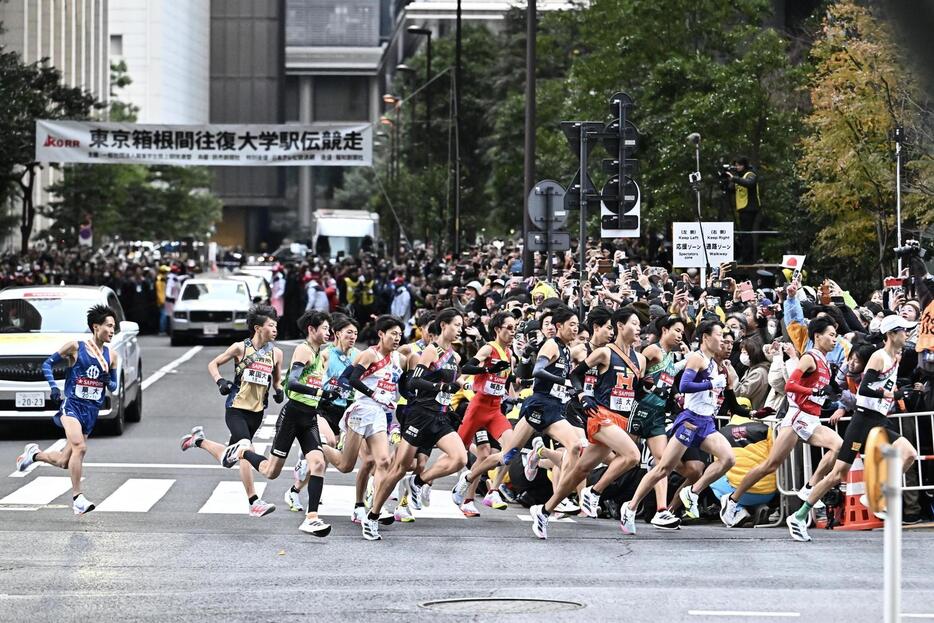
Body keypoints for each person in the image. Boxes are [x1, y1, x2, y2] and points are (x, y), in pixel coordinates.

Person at [786, 315, 919, 542]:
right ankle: (798, 516)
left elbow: (883, 388)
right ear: (891, 334)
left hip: (879, 420)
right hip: (863, 422)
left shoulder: (896, 357)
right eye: (903, 331)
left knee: (909, 454)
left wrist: (903, 391)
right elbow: (865, 389)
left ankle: (874, 494)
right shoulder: (878, 357)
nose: (907, 334)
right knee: (837, 475)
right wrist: (888, 394)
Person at [529, 307, 647, 539]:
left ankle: (543, 511)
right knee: (633, 456)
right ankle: (594, 492)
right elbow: (575, 375)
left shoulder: (640, 360)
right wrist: (583, 395)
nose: (639, 328)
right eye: (634, 323)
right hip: (600, 415)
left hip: (621, 419)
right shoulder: (604, 353)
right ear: (620, 326)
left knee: (579, 470)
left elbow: (635, 392)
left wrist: (646, 388)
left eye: (640, 325)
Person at [450, 306, 586, 507]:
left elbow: (517, 378)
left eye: (577, 325)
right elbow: (539, 370)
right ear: (559, 326)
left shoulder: (565, 350)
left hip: (552, 408)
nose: (575, 329)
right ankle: (468, 478)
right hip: (536, 406)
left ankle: (556, 499)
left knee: (575, 446)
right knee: (503, 455)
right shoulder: (551, 345)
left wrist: (576, 389)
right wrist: (562, 381)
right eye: (572, 325)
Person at [722, 316, 843, 527]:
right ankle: (732, 501)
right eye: (831, 335)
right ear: (817, 336)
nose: (835, 340)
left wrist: (834, 393)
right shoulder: (810, 358)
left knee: (838, 446)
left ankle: (809, 488)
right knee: (770, 465)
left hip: (812, 418)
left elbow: (823, 391)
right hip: (797, 417)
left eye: (836, 335)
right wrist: (813, 390)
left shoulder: (826, 362)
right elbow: (790, 386)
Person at [620, 320, 738, 535]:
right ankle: (630, 507)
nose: (722, 339)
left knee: (728, 459)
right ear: (705, 337)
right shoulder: (697, 358)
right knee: (663, 469)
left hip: (707, 422)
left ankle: (692, 493)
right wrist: (712, 384)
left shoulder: (713, 363)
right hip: (690, 421)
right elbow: (684, 386)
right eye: (719, 335)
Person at [365, 308, 469, 540]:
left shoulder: (456, 356)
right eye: (456, 324)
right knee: (398, 468)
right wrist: (440, 387)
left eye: (461, 325)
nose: (460, 329)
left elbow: (456, 378)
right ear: (443, 326)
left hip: (441, 416)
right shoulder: (431, 351)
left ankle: (418, 481)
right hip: (420, 415)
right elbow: (414, 381)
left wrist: (465, 383)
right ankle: (372, 515)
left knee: (460, 458)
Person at [227, 311, 334, 536]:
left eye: (329, 328)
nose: (328, 332)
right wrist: (318, 391)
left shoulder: (320, 354)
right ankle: (242, 452)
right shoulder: (303, 350)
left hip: (309, 417)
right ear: (311, 330)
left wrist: (325, 395)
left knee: (318, 463)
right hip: (293, 416)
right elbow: (292, 384)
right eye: (324, 328)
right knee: (270, 472)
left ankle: (312, 518)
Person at [178, 305, 284, 517]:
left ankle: (198, 440)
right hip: (236, 408)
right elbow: (213, 364)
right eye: (271, 325)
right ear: (257, 328)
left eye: (276, 326)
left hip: (257, 412)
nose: (275, 329)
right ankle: (254, 501)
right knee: (245, 447)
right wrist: (220, 381)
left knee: (230, 459)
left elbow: (277, 379)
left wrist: (279, 390)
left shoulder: (277, 353)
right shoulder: (240, 348)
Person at [16, 305, 121, 515]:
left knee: (65, 461)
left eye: (114, 327)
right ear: (95, 326)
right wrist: (54, 386)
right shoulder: (76, 347)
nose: (112, 330)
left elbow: (113, 387)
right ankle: (77, 498)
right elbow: (47, 364)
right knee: (80, 447)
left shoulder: (112, 356)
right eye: (109, 326)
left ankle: (34, 455)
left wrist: (109, 379)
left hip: (90, 412)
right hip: (72, 406)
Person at [320, 315, 410, 528]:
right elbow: (350, 379)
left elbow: (404, 388)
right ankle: (318, 446)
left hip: (380, 415)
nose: (397, 338)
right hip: (361, 411)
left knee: (382, 461)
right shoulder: (370, 354)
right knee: (345, 465)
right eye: (393, 334)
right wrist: (373, 394)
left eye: (399, 334)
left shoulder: (400, 360)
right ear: (381, 334)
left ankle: (374, 508)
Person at [451, 311, 519, 514]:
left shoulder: (510, 355)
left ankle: (489, 492)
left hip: (495, 411)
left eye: (515, 328)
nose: (513, 332)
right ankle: (420, 482)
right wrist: (487, 369)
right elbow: (467, 367)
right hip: (477, 408)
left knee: (511, 449)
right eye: (509, 328)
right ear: (497, 329)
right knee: (456, 457)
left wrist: (515, 397)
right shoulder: (489, 348)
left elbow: (506, 383)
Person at [626, 314, 689, 525]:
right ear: (664, 330)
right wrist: (643, 384)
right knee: (617, 456)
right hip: (639, 410)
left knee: (662, 462)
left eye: (682, 332)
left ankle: (661, 510)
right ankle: (582, 484)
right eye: (677, 331)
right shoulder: (653, 350)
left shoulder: (671, 358)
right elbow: (637, 373)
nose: (681, 335)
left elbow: (670, 378)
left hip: (658, 415)